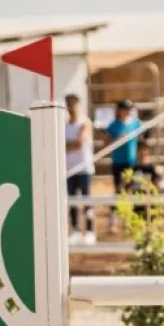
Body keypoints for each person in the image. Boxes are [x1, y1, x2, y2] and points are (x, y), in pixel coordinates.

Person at [101, 99, 142, 231]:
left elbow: (142, 139)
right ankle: (113, 221)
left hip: (132, 162)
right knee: (119, 191)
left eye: (129, 109)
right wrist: (118, 139)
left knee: (133, 190)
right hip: (118, 163)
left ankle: (130, 221)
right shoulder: (114, 125)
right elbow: (105, 143)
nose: (127, 111)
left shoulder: (136, 124)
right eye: (125, 109)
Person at [64, 94, 96, 245]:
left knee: (86, 201)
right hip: (69, 169)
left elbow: (79, 142)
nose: (71, 108)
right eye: (69, 104)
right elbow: (61, 145)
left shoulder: (85, 122)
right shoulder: (65, 125)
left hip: (84, 168)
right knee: (71, 201)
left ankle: (90, 231)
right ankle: (75, 230)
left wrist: (66, 145)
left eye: (73, 104)